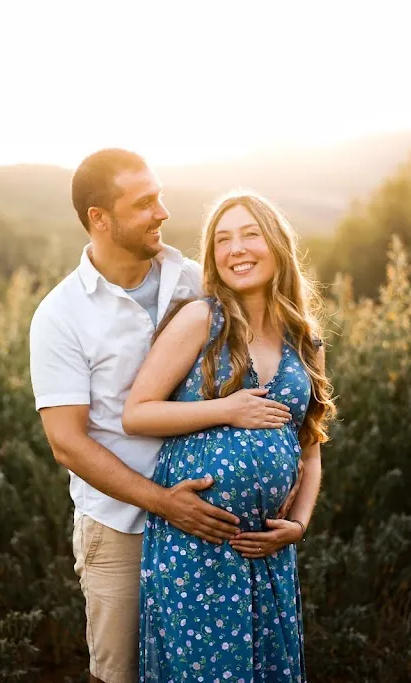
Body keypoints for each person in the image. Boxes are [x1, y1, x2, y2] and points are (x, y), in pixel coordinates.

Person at [29, 149, 295, 683]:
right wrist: (164, 503)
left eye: (161, 196)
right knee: (123, 673)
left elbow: (270, 359)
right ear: (99, 219)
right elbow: (67, 443)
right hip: (122, 527)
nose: (163, 213)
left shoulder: (199, 283)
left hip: (211, 529)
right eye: (145, 203)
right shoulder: (61, 316)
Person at [122, 190, 336, 682]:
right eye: (222, 240)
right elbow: (138, 413)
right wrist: (228, 408)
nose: (236, 248)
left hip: (264, 552)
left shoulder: (305, 341)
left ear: (277, 244)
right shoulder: (202, 319)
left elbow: (311, 449)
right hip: (195, 546)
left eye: (249, 234)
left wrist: (299, 525)